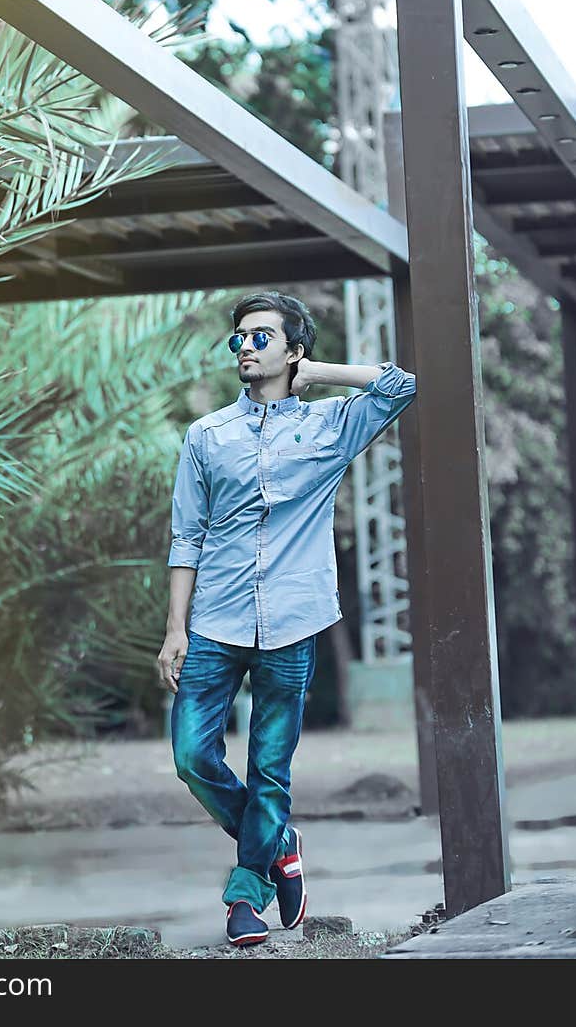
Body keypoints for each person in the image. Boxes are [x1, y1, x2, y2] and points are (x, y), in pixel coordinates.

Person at [156, 290, 417, 947]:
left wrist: (320, 374)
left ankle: (247, 894)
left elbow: (400, 387)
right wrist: (175, 629)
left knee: (272, 767)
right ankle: (278, 841)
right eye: (238, 338)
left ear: (293, 351)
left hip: (294, 621)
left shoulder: (331, 426)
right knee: (191, 754)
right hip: (214, 619)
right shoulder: (207, 436)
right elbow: (186, 536)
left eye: (261, 337)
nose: (245, 346)